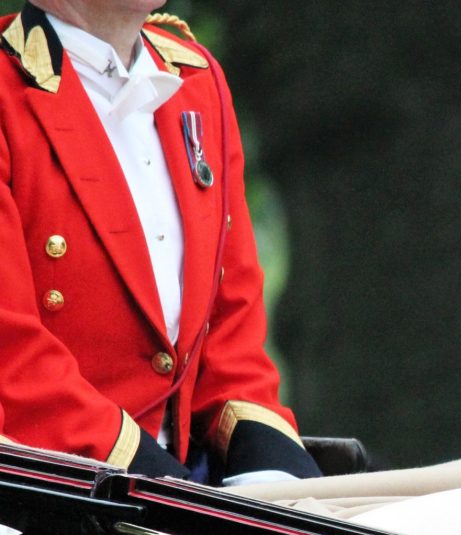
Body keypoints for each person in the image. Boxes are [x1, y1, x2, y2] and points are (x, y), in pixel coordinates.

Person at [0, 2, 319, 485]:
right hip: (54, 490)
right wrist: (165, 490)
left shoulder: (197, 79)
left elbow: (229, 339)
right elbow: (12, 356)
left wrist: (282, 480)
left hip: (180, 486)